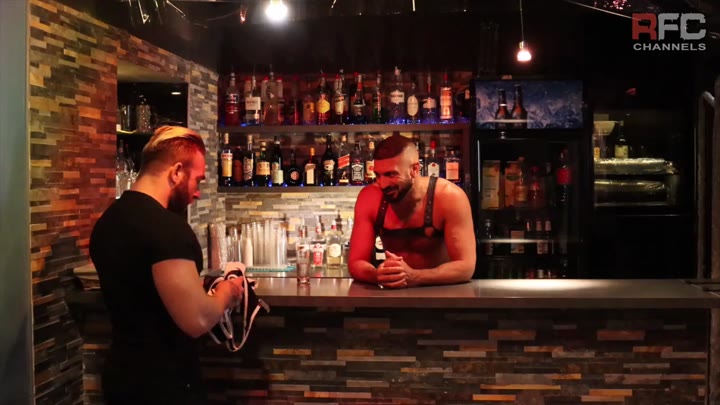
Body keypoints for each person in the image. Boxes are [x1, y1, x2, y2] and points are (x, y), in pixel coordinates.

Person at [89, 126, 244, 405]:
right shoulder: (167, 229)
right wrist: (228, 292)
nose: (197, 193)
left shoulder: (108, 221)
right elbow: (197, 319)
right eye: (197, 180)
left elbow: (143, 285)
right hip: (165, 383)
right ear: (177, 172)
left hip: (121, 376)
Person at [348, 134, 476, 288]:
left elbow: (465, 267)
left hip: (439, 292)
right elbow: (356, 262)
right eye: (378, 175)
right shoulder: (369, 198)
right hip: (394, 293)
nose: (382, 184)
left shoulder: (449, 196)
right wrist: (377, 275)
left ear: (414, 169)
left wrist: (415, 277)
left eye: (391, 174)